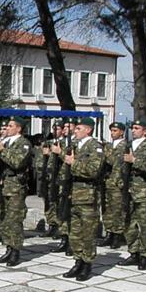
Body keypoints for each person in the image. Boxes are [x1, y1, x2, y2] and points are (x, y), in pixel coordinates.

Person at [61, 117, 105, 281]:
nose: (75, 131)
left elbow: (94, 170)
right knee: (75, 233)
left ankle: (87, 263)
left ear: (88, 130)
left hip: (88, 196)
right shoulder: (74, 146)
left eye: (78, 128)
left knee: (88, 233)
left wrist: (74, 163)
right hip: (74, 195)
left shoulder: (96, 148)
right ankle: (78, 261)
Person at [117, 119, 146, 270]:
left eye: (137, 128)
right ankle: (133, 252)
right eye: (132, 128)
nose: (133, 130)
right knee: (128, 223)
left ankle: (144, 255)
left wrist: (134, 160)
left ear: (145, 131)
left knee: (144, 225)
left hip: (143, 191)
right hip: (127, 191)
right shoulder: (127, 146)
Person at [0, 116, 32, 267]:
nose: (6, 128)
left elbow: (17, 162)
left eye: (10, 126)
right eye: (6, 126)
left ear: (18, 129)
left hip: (16, 187)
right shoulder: (6, 142)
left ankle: (15, 251)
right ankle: (8, 248)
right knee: (6, 220)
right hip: (5, 185)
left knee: (15, 220)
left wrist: (2, 151)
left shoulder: (24, 144)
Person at [98, 121, 128, 248]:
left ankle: (117, 235)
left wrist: (106, 151)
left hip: (117, 182)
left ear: (121, 132)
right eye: (111, 130)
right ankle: (109, 232)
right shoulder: (109, 146)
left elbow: (114, 161)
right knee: (106, 209)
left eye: (115, 130)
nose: (112, 133)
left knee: (117, 209)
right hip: (107, 181)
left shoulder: (124, 146)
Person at [50, 118, 76, 254]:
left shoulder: (76, 143)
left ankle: (71, 241)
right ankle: (64, 238)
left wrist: (59, 152)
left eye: (68, 126)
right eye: (64, 126)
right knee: (62, 211)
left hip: (72, 182)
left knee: (71, 212)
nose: (65, 128)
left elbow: (68, 158)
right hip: (62, 180)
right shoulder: (60, 142)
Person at [40, 121, 64, 237]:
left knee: (58, 202)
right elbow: (40, 160)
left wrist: (55, 153)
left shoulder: (64, 143)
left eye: (58, 128)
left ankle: (59, 226)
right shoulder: (48, 143)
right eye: (54, 129)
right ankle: (51, 224)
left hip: (58, 176)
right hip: (47, 176)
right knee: (48, 201)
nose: (55, 131)